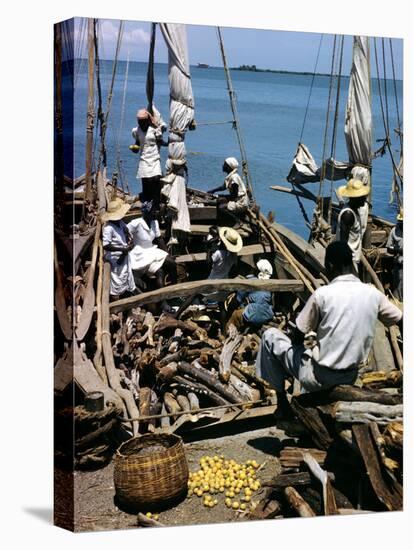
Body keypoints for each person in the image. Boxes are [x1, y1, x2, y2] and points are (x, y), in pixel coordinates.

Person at [256, 241, 402, 417]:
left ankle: (282, 403)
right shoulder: (373, 294)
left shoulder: (323, 294)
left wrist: (309, 341)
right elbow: (401, 320)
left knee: (270, 336)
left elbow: (297, 336)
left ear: (331, 265)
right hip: (350, 376)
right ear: (351, 263)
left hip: (318, 378)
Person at [127, 200, 177, 290]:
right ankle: (164, 298)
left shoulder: (154, 222)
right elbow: (125, 231)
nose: (156, 212)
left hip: (151, 251)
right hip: (140, 254)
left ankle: (174, 290)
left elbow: (159, 239)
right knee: (161, 271)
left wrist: (167, 254)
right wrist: (128, 244)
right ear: (147, 212)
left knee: (171, 264)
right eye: (154, 211)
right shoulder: (136, 223)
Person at [131, 107, 167, 207]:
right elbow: (137, 145)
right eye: (139, 122)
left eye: (143, 122)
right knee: (145, 181)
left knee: (155, 179)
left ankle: (155, 204)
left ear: (148, 121)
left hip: (154, 158)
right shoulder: (137, 131)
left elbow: (160, 142)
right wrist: (135, 149)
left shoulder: (154, 130)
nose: (141, 124)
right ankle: (146, 203)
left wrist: (169, 143)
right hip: (144, 159)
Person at [226, 259, 274, 332]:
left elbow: (237, 299)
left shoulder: (250, 282)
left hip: (254, 314)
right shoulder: (270, 283)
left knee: (234, 315)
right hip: (268, 314)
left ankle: (227, 333)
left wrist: (230, 308)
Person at [101, 198, 136, 299]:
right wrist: (122, 250)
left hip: (124, 254)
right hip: (115, 258)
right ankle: (116, 304)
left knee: (126, 277)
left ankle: (126, 299)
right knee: (117, 281)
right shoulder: (108, 228)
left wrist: (129, 240)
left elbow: (127, 232)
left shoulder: (120, 223)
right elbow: (106, 245)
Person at [335, 178, 370, 273]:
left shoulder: (355, 210)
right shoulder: (348, 215)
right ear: (356, 197)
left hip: (353, 258)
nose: (365, 198)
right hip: (349, 261)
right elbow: (343, 243)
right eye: (362, 196)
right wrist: (346, 265)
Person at [207, 157, 249, 223]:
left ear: (229, 167)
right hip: (237, 199)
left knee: (221, 207)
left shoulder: (234, 177)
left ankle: (238, 221)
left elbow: (234, 195)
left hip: (241, 202)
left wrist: (222, 197)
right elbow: (223, 187)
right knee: (219, 200)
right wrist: (213, 191)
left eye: (224, 164)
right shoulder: (230, 176)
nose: (223, 166)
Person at [386, 209, 403, 301]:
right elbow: (389, 248)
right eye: (400, 221)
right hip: (399, 264)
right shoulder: (394, 231)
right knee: (398, 287)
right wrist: (398, 250)